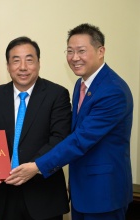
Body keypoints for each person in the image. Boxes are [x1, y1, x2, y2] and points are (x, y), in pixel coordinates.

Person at [23, 23, 134, 219]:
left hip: (104, 194)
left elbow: (81, 139)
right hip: (82, 190)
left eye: (81, 51)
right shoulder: (81, 84)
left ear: (101, 51)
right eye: (70, 51)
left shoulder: (113, 91)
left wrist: (38, 165)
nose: (74, 58)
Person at [0, 36, 71, 220]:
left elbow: (60, 138)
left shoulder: (57, 94)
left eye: (29, 60)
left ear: (38, 63)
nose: (23, 67)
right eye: (16, 60)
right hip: (3, 195)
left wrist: (34, 167)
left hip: (43, 193)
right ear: (7, 66)